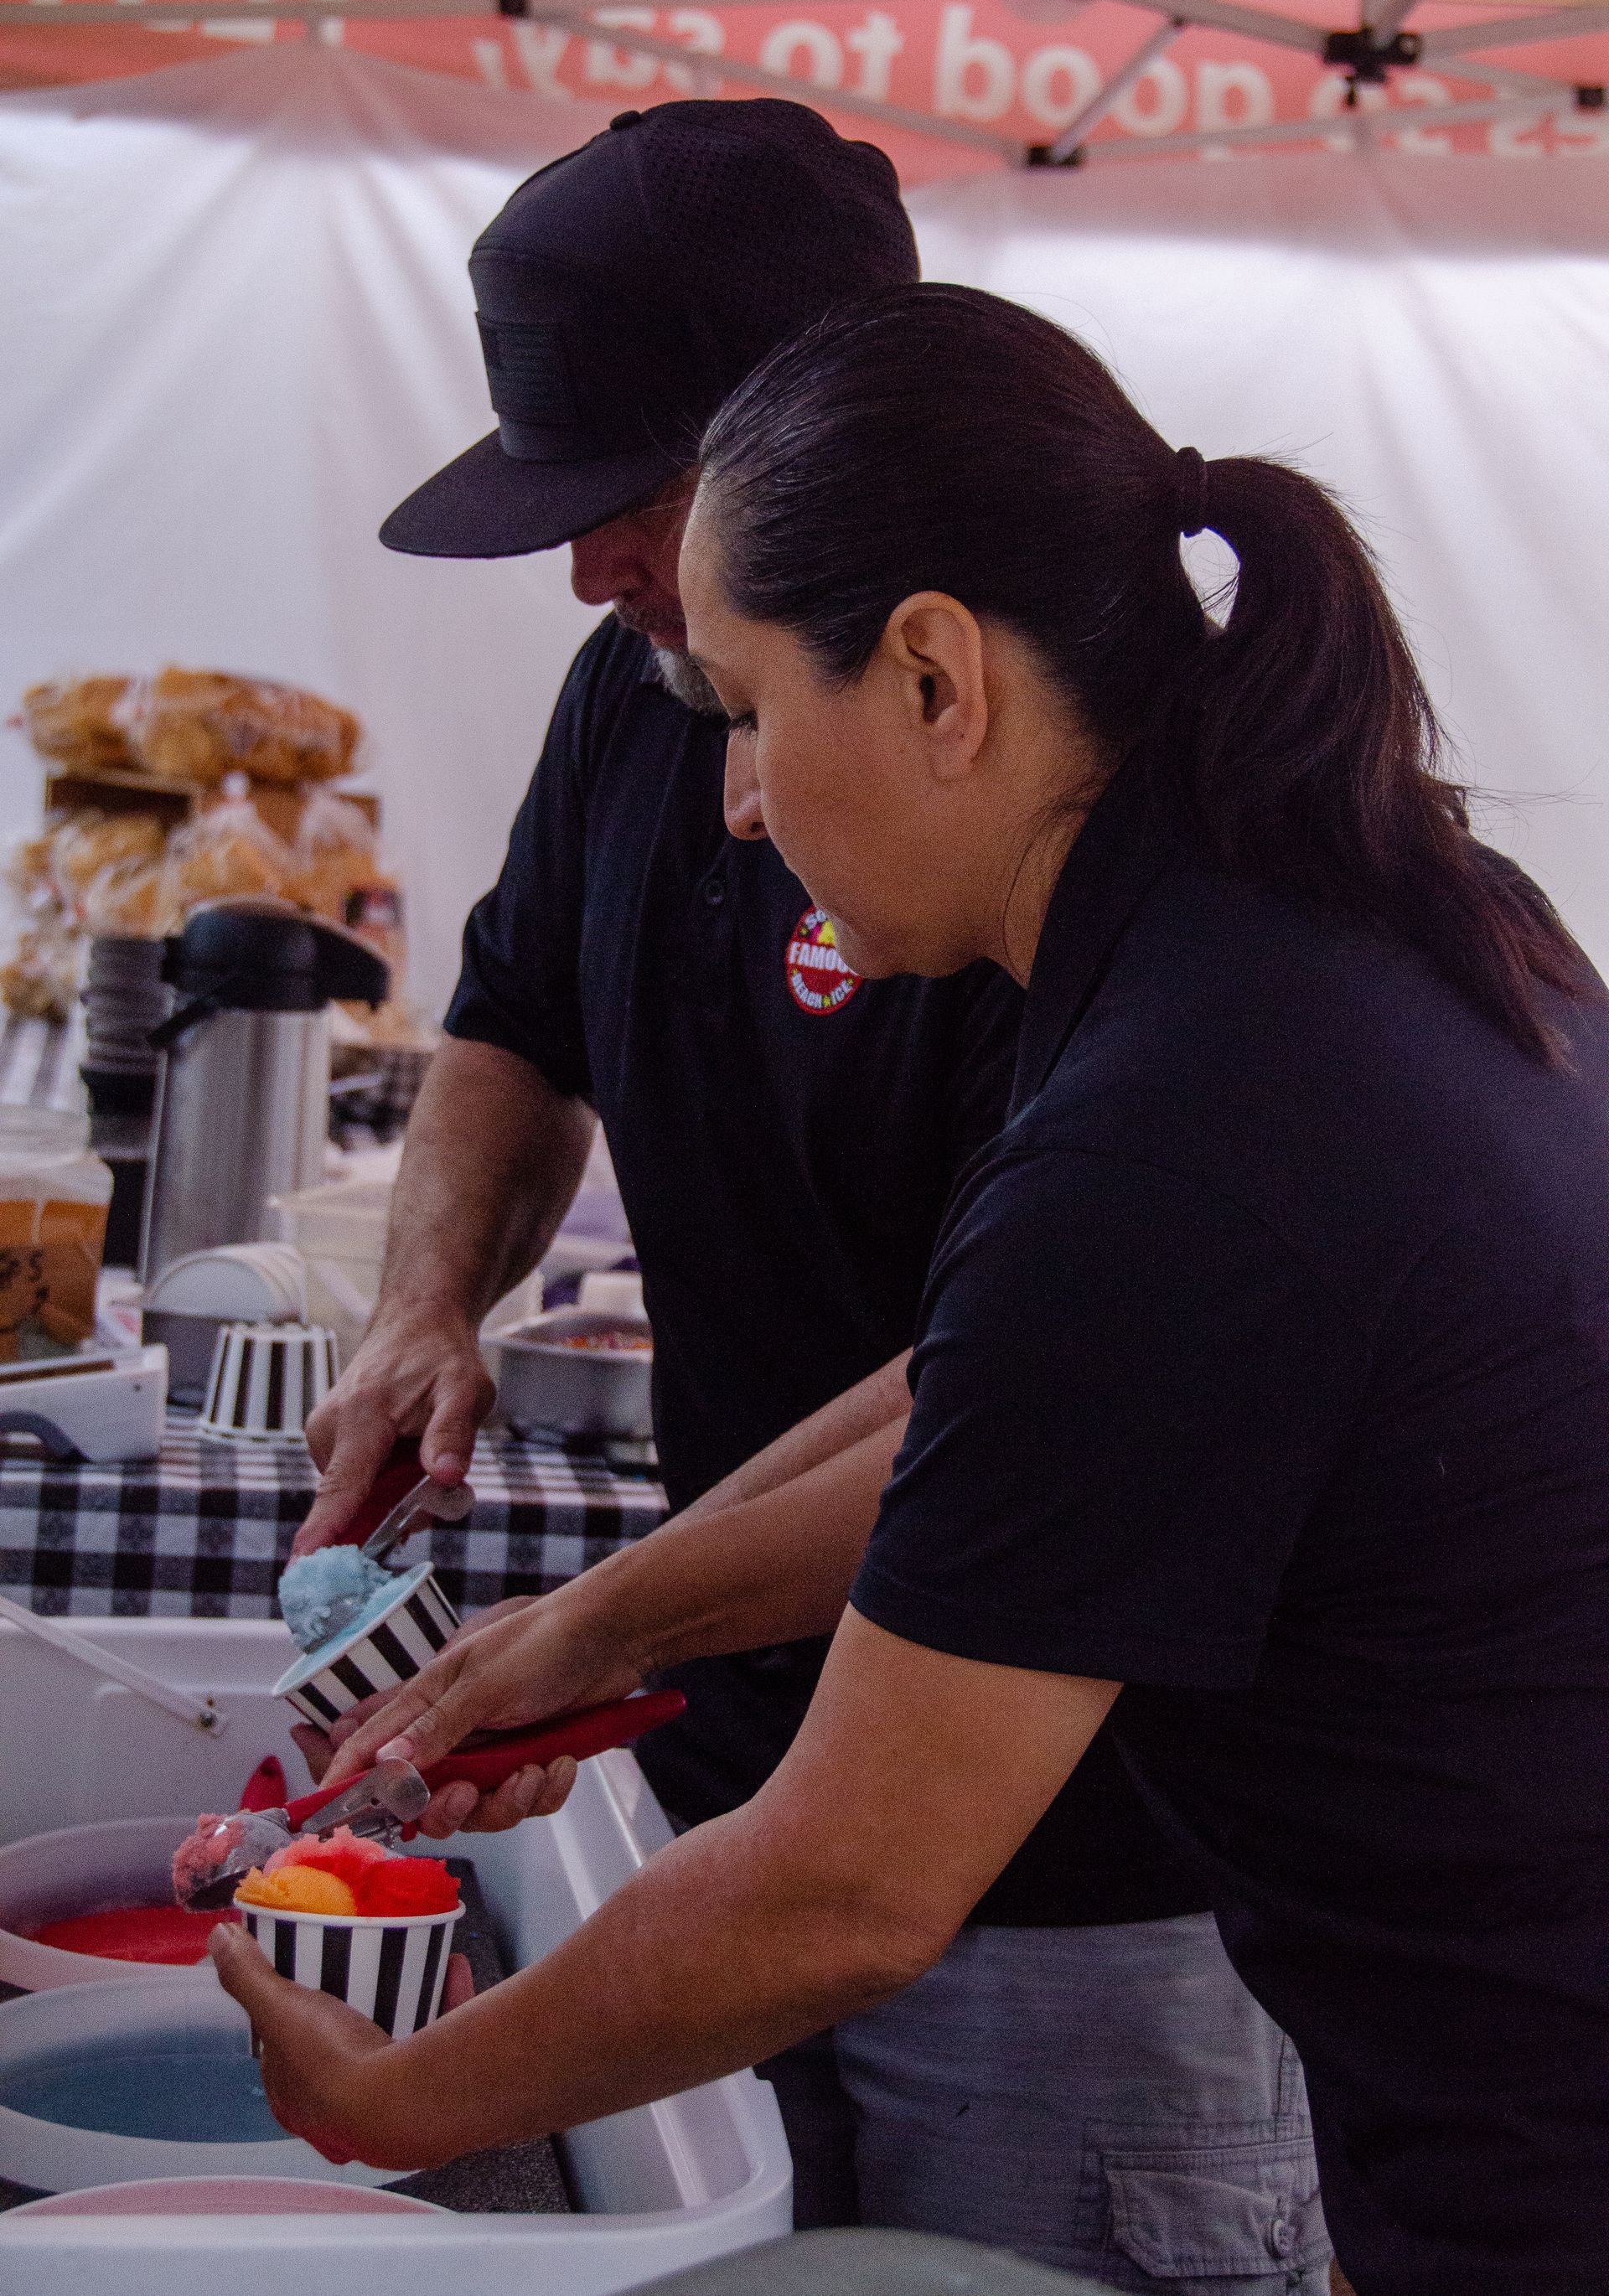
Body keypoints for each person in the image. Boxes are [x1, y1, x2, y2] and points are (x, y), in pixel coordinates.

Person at [220, 283, 1609, 2294]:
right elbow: (976, 1387)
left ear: (941, 678)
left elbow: (846, 1894)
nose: (740, 803)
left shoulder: (1187, 1129)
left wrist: (396, 2100)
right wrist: (584, 1629)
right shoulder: (1319, 908)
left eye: (755, 712)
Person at [292, 112, 1323, 2283]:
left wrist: (400, 2091)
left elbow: (1004, 1402)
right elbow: (517, 1017)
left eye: (620, 508)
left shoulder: (1172, 983)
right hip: (761, 1774)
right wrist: (437, 1327)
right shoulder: (664, 704)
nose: (739, 795)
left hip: (1065, 1868)